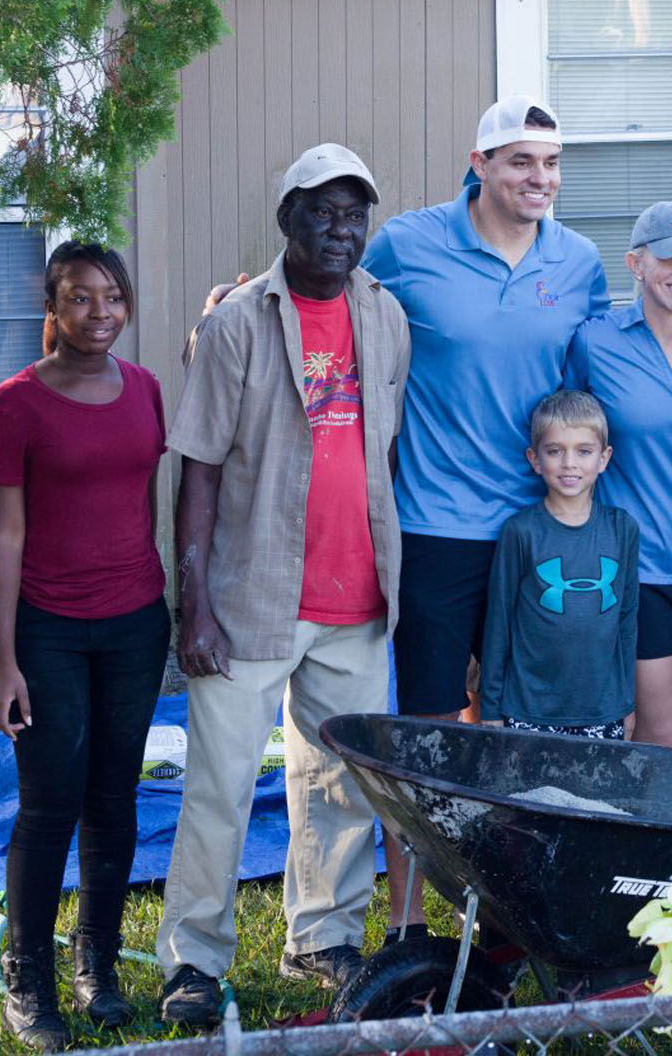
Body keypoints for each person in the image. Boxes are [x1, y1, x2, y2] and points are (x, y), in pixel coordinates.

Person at [355, 97, 672, 938]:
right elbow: (335, 293)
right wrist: (240, 297)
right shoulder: (409, 243)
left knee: (524, 732)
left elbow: (629, 336)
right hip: (439, 526)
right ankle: (408, 928)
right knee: (428, 739)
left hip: (544, 526)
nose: (541, 178)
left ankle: (514, 913)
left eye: (552, 164)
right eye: (521, 161)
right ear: (480, 163)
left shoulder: (573, 261)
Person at [155, 143, 411, 1027]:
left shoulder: (385, 316)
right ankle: (192, 959)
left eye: (354, 215)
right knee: (220, 788)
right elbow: (195, 470)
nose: (340, 231)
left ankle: (323, 934)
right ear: (286, 220)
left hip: (357, 598)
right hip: (250, 600)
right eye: (321, 212)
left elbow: (380, 450)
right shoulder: (235, 326)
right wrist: (194, 605)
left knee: (338, 783)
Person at [0, 241, 170, 1050]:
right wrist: (4, 662)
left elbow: (145, 502)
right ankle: (30, 977)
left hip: (135, 621)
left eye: (113, 297)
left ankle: (98, 963)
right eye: (81, 298)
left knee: (115, 798)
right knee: (51, 800)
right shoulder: (14, 406)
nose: (101, 314)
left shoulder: (149, 391)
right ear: (51, 308)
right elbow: (3, 536)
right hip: (48, 628)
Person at [566, 202, 672, 750]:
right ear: (636, 265)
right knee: (659, 732)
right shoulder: (596, 340)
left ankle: (666, 836)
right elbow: (563, 439)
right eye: (670, 259)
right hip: (635, 570)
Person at [480, 390, 639, 737]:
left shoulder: (622, 529)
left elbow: (627, 622)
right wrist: (490, 707)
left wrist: (627, 703)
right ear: (535, 459)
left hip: (603, 710)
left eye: (584, 451)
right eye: (555, 451)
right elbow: (499, 622)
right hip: (528, 709)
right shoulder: (520, 532)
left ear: (604, 458)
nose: (569, 463)